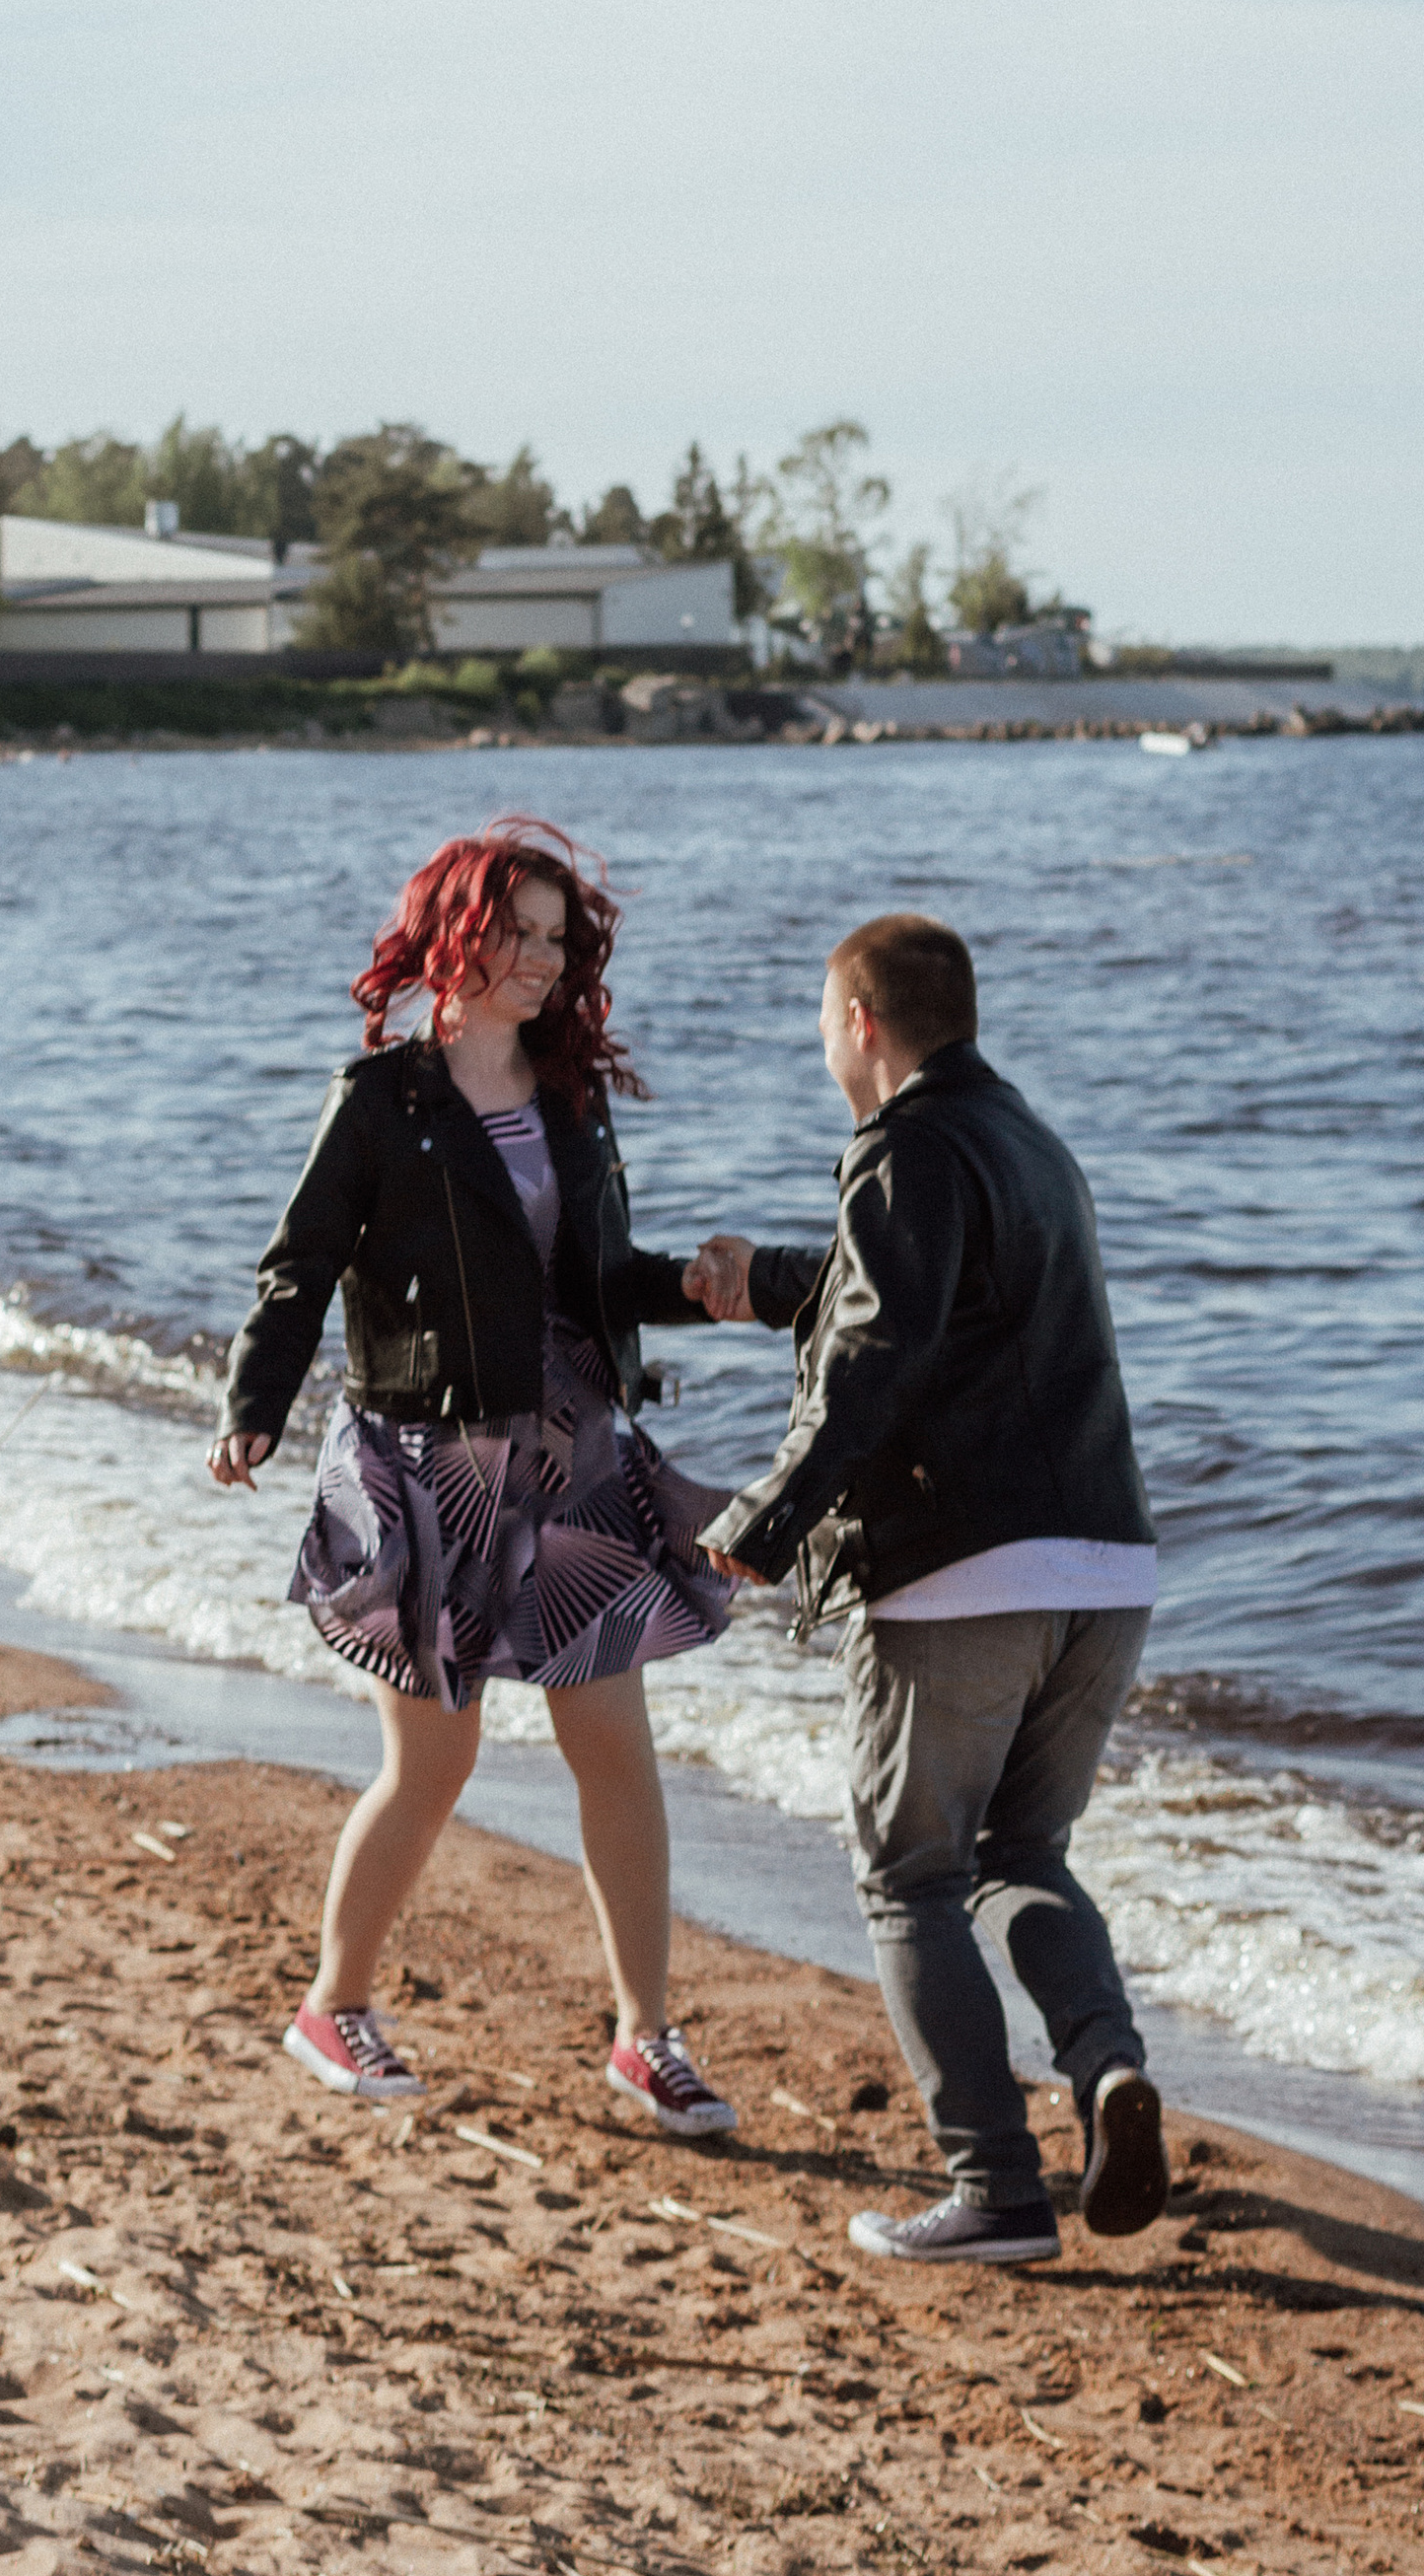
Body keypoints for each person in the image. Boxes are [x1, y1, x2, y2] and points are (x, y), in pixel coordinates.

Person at [213, 821, 740, 2136]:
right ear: (458, 931)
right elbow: (300, 1267)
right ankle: (332, 2003)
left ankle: (645, 2037)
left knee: (612, 1742)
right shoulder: (380, 1101)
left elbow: (594, 1281)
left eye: (562, 941)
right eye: (521, 934)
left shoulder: (571, 1098)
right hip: (426, 1459)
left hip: (570, 1451)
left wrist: (692, 1286)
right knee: (434, 1761)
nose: (545, 964)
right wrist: (253, 1412)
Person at [689, 911, 1169, 2265]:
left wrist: (765, 1521)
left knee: (908, 1875)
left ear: (860, 1020)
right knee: (1024, 1857)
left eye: (819, 1021)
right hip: (1107, 1563)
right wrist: (761, 1279)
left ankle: (997, 2191)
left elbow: (879, 1348)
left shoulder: (900, 1144)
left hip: (965, 1568)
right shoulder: (1031, 1140)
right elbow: (927, 1294)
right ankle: (1109, 2072)